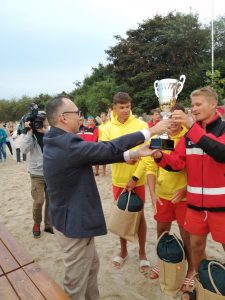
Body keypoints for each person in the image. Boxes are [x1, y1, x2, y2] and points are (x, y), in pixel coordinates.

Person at [43, 95, 171, 300]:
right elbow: (105, 149)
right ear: (63, 118)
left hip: (69, 219)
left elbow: (97, 154)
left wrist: (135, 154)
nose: (80, 117)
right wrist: (149, 131)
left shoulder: (55, 139)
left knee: (92, 268)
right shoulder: (65, 142)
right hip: (74, 224)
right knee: (75, 283)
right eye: (77, 113)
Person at [150, 86, 225, 299]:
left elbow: (220, 153)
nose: (194, 109)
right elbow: (175, 163)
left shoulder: (220, 129)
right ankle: (201, 285)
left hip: (221, 206)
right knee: (196, 246)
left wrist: (191, 126)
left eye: (198, 104)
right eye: (192, 105)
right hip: (194, 205)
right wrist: (158, 156)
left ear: (213, 105)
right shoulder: (189, 136)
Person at [145, 104, 194, 290]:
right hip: (163, 196)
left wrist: (186, 188)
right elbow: (150, 167)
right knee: (162, 231)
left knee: (186, 235)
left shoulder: (189, 138)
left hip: (183, 197)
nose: (172, 121)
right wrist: (152, 194)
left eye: (176, 117)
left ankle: (191, 269)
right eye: (169, 117)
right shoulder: (158, 138)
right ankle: (162, 262)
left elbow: (197, 169)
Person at [101, 92, 150, 273]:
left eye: (128, 107)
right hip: (118, 181)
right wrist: (123, 160)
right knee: (122, 217)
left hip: (138, 180)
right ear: (114, 107)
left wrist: (135, 177)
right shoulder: (106, 128)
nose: (125, 111)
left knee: (140, 217)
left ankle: (143, 252)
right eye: (121, 107)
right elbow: (103, 154)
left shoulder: (141, 125)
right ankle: (123, 251)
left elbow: (148, 155)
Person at [20, 112, 53, 238]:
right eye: (45, 120)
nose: (47, 122)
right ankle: (36, 224)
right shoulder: (31, 134)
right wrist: (29, 132)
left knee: (51, 200)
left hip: (50, 172)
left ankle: (48, 224)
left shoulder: (50, 132)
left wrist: (46, 133)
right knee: (38, 201)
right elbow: (23, 150)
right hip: (36, 174)